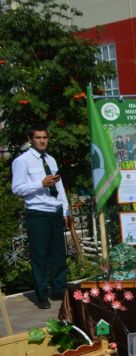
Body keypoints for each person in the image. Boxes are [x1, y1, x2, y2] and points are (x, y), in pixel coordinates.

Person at [11, 126, 71, 309]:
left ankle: (59, 290)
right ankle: (42, 295)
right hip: (37, 213)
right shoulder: (22, 161)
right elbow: (17, 188)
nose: (42, 141)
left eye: (45, 137)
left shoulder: (50, 159)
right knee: (39, 256)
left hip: (55, 211)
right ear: (30, 139)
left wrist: (65, 209)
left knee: (58, 253)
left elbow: (59, 186)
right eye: (38, 138)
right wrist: (40, 184)